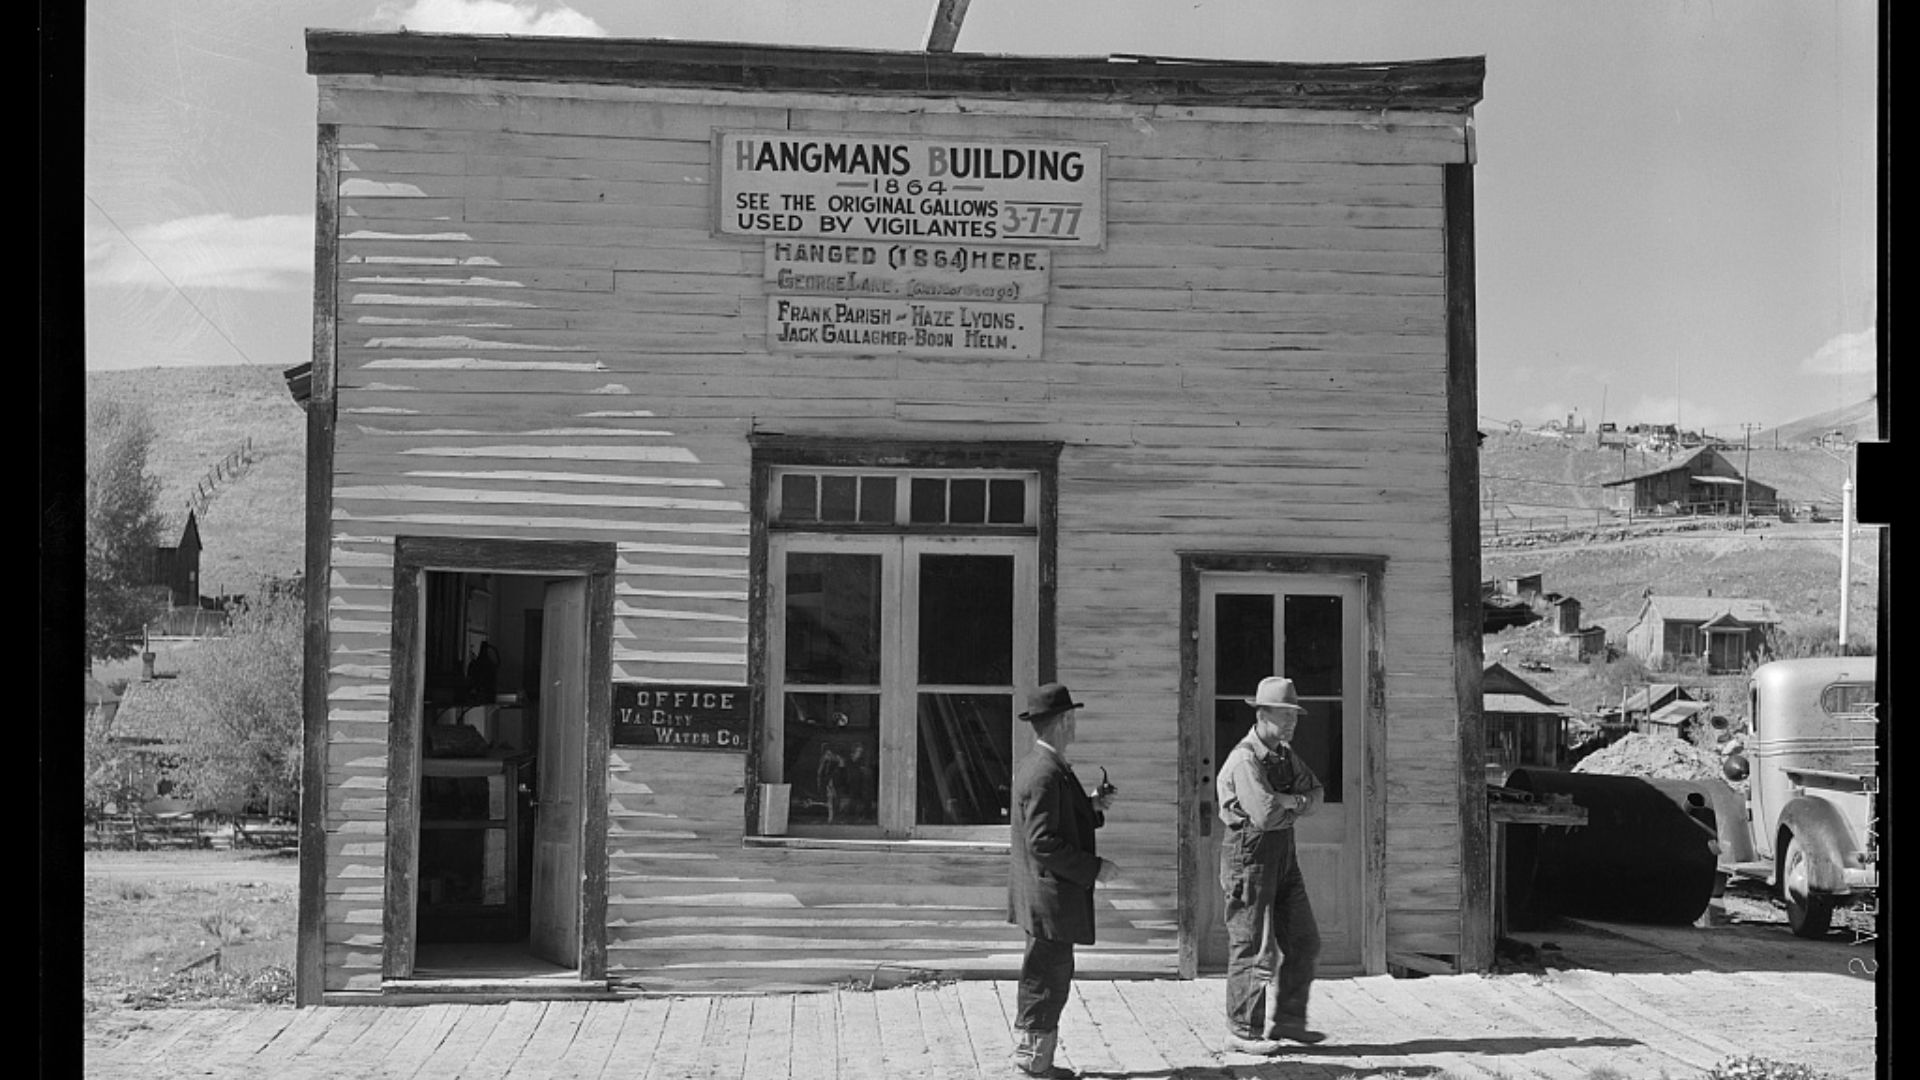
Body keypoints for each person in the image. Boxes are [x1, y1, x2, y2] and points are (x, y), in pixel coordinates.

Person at [1006, 683, 1118, 1079]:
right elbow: (1043, 842)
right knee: (1046, 978)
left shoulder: (1046, 765)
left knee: (1049, 973)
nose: (1075, 724)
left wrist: (1090, 805)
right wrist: (1094, 868)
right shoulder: (1045, 772)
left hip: (1045, 895)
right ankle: (1032, 1064)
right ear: (1064, 721)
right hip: (1048, 896)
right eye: (1072, 717)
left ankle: (1036, 1060)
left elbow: (1055, 820)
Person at [1216, 675, 1327, 1055]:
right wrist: (1290, 804)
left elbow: (1317, 793)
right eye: (1284, 715)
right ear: (1261, 715)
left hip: (1283, 860)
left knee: (1303, 940)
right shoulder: (1245, 760)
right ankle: (1242, 1031)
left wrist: (1290, 800)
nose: (1292, 722)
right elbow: (1263, 815)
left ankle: (1290, 1022)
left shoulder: (1282, 755)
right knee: (1253, 948)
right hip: (1250, 861)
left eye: (1294, 714)